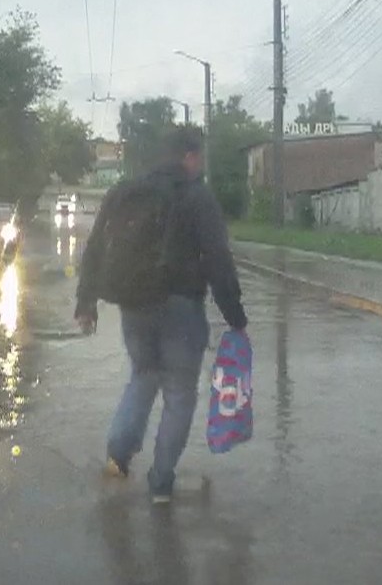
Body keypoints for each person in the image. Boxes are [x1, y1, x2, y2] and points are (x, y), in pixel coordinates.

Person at [75, 126, 249, 504]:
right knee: (179, 393)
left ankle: (118, 457)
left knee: (143, 375)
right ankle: (160, 482)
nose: (201, 165)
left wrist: (85, 302)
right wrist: (235, 317)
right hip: (182, 308)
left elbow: (96, 248)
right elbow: (218, 259)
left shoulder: (125, 192)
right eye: (199, 158)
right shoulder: (197, 196)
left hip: (134, 304)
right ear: (189, 157)